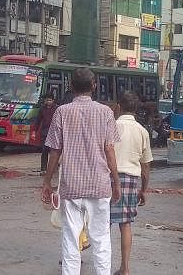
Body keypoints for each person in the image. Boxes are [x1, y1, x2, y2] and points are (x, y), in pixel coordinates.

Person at [41, 67, 121, 275]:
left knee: (70, 238)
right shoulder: (106, 112)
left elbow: (54, 151)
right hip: (99, 185)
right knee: (101, 238)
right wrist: (117, 182)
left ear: (70, 86)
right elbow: (110, 150)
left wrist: (47, 182)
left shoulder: (62, 112)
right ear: (94, 86)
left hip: (71, 186)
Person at [110, 91, 153, 275]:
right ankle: (125, 268)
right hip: (130, 180)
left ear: (119, 107)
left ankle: (101, 265)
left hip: (109, 178)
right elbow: (145, 167)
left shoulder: (111, 126)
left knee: (102, 224)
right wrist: (143, 190)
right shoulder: (142, 131)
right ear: (136, 110)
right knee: (125, 224)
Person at [37, 94, 58, 173]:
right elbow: (38, 120)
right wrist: (34, 131)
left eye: (50, 100)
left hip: (55, 132)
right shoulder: (42, 109)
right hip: (45, 132)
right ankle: (43, 169)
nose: (49, 102)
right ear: (45, 101)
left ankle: (54, 168)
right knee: (44, 150)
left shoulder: (57, 108)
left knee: (54, 151)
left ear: (53, 101)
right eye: (47, 100)